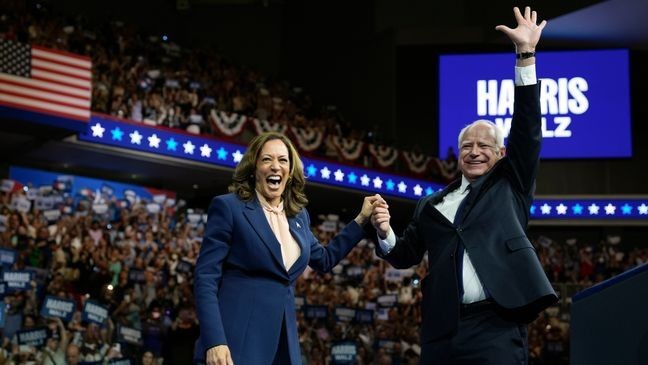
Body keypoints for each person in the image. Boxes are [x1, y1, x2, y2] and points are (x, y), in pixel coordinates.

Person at [370, 7, 558, 364]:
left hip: (497, 325)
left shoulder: (510, 184)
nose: (474, 152)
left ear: (501, 153)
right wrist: (384, 231)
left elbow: (528, 128)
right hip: (442, 331)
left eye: (484, 146)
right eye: (467, 146)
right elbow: (404, 255)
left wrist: (525, 56)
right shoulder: (431, 205)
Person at [194, 131, 382, 364]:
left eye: (283, 160)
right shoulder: (229, 207)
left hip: (283, 344)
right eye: (266, 159)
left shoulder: (298, 216)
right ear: (254, 169)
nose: (275, 166)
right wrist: (214, 341)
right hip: (236, 341)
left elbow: (324, 259)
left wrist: (361, 220)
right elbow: (205, 278)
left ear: (291, 172)